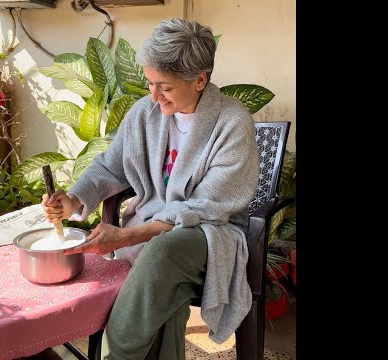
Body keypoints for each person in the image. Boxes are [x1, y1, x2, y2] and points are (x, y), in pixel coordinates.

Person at [42, 17, 260, 360]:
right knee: (166, 294)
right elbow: (110, 164)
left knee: (161, 252)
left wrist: (131, 236)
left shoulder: (232, 122)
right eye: (149, 83)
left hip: (208, 234)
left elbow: (208, 205)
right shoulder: (145, 112)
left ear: (200, 79)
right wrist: (72, 199)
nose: (153, 96)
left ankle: (114, 357)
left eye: (165, 87)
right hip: (155, 236)